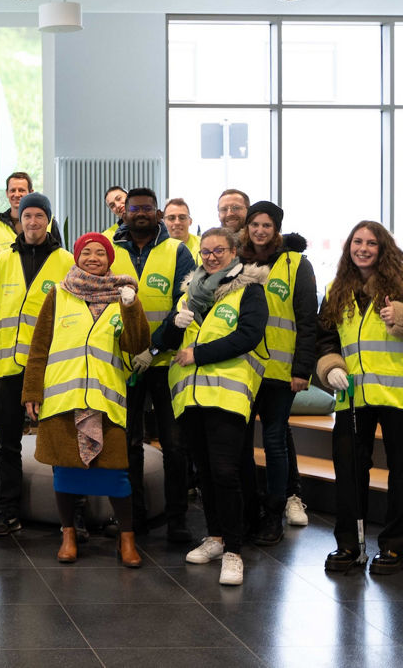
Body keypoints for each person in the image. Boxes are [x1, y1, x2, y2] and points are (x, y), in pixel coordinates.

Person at [316, 221, 403, 575]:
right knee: (349, 469)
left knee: (402, 472)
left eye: (371, 243)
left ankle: (394, 548)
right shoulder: (336, 288)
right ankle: (348, 544)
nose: (363, 248)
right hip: (354, 393)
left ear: (383, 247)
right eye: (357, 242)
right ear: (348, 247)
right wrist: (330, 366)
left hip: (401, 395)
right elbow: (324, 337)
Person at [22, 233, 149, 566]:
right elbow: (39, 348)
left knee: (117, 475)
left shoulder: (123, 295)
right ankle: (68, 534)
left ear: (110, 260)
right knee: (64, 471)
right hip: (64, 397)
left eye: (101, 254)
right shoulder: (59, 294)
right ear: (77, 257)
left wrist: (131, 306)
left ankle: (127, 539)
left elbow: (137, 344)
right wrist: (32, 391)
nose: (94, 258)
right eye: (87, 253)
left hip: (105, 400)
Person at [160, 227, 269, 586]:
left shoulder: (249, 290)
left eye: (218, 251)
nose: (210, 257)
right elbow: (163, 340)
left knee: (226, 472)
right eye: (205, 252)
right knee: (204, 472)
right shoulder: (190, 294)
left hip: (227, 396)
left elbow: (249, 335)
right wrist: (175, 326)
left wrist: (199, 354)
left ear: (234, 252)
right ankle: (216, 538)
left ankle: (235, 551)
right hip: (191, 397)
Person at [0, 192, 74, 537]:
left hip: (51, 369)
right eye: (26, 216)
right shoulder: (3, 260)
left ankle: (71, 520)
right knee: (7, 446)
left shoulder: (67, 261)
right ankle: (8, 511)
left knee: (61, 443)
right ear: (19, 219)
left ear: (48, 220)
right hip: (6, 368)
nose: (32, 222)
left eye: (39, 216)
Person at [111, 187, 196, 541]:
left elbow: (186, 306)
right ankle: (135, 521)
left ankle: (177, 522)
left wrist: (156, 347)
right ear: (124, 213)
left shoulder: (178, 251)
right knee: (128, 444)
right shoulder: (109, 249)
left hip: (167, 365)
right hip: (123, 365)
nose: (141, 213)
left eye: (148, 208)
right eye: (135, 208)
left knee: (175, 446)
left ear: (158, 213)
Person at [236, 201, 317, 546]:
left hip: (280, 374)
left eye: (267, 226)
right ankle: (247, 511)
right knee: (240, 445)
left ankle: (274, 513)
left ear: (277, 229)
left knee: (274, 442)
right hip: (240, 370)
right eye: (255, 224)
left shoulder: (296, 264)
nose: (260, 231)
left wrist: (302, 370)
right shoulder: (236, 261)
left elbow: (307, 319)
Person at [0, 172, 63, 294]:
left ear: (31, 192)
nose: (17, 194)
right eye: (12, 190)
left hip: (42, 299)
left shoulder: (49, 223)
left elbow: (59, 261)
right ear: (7, 193)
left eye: (21, 190)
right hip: (7, 302)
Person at [163, 197, 201, 266]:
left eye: (182, 217)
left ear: (190, 221)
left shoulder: (203, 246)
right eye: (171, 218)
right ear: (164, 222)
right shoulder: (156, 248)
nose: (177, 222)